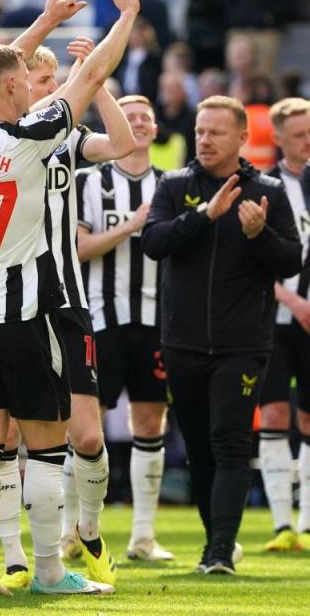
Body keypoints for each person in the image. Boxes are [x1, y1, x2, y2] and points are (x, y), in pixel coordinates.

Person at [0, 0, 139, 597]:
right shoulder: (30, 138)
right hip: (26, 312)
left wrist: (43, 23)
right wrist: (127, 15)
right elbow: (99, 69)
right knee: (46, 450)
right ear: (10, 90)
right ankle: (52, 572)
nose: (33, 85)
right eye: (23, 80)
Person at [0, 36, 136, 592]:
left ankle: (89, 533)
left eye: (54, 81)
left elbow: (122, 143)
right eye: (39, 81)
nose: (48, 90)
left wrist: (94, 83)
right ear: (19, 86)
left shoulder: (65, 138)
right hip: (5, 302)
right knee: (3, 439)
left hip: (67, 303)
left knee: (89, 437)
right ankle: (16, 556)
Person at [142, 95, 302, 574]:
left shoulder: (267, 190)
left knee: (229, 440)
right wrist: (205, 215)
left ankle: (217, 553)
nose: (205, 140)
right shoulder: (173, 185)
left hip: (243, 343)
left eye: (215, 132)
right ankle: (219, 542)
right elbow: (153, 242)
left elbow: (292, 260)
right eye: (200, 131)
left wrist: (261, 236)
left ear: (241, 137)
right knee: (198, 446)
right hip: (182, 340)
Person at [76, 94, 173, 561]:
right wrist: (133, 225)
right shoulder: (89, 182)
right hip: (101, 315)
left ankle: (143, 536)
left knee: (151, 422)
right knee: (86, 428)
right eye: (127, 117)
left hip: (158, 319)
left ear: (154, 130)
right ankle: (77, 530)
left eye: (143, 118)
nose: (136, 124)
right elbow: (79, 248)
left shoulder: (171, 186)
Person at [258, 97, 310, 553]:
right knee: (274, 413)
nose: (307, 141)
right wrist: (292, 299)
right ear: (277, 138)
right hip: (274, 317)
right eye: (298, 134)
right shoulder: (267, 187)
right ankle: (281, 525)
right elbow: (254, 257)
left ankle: (308, 521)